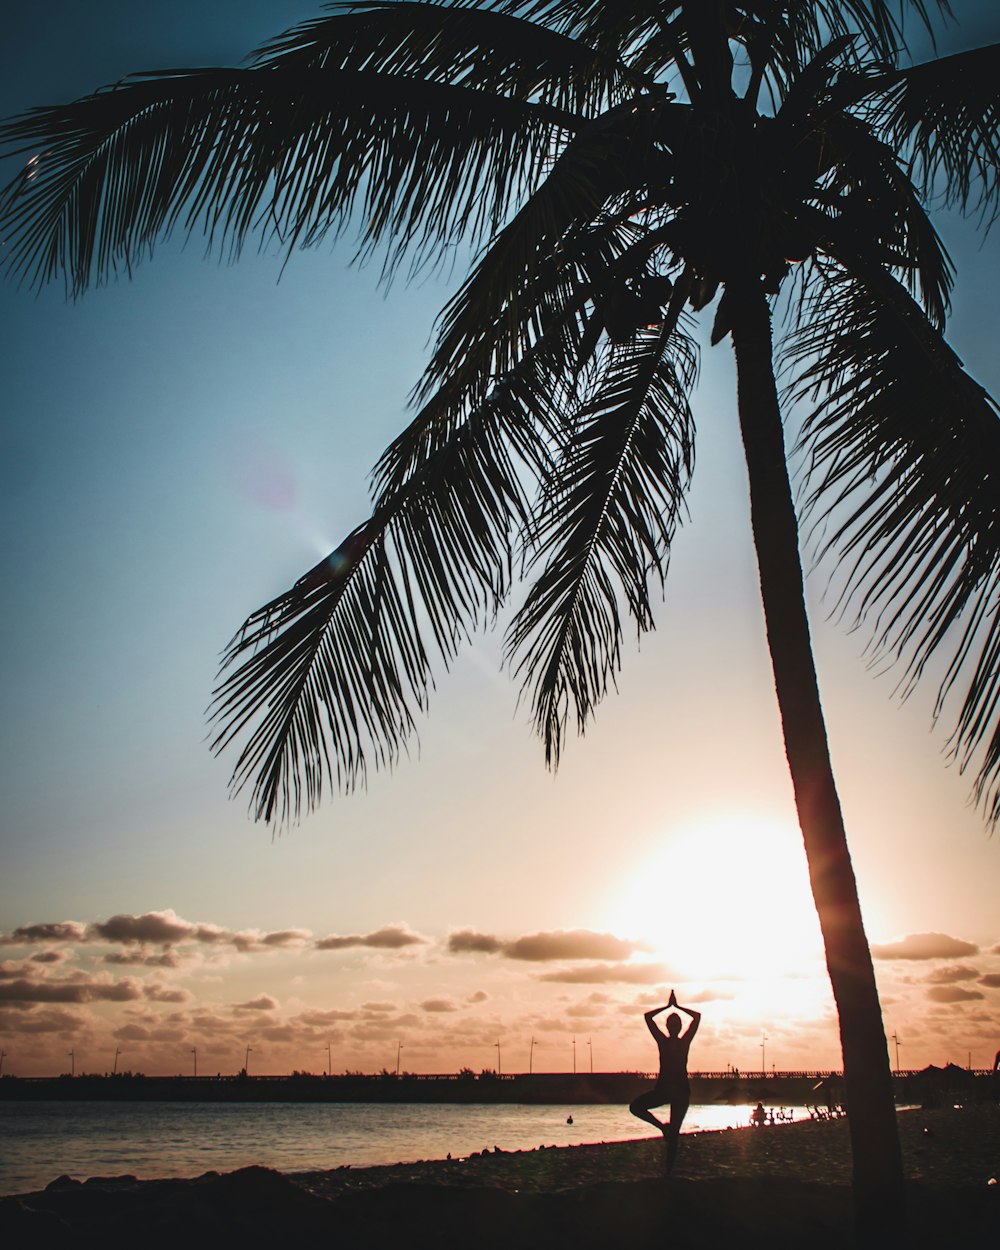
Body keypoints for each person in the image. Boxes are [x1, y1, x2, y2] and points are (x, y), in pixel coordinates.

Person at [629, 989, 701, 1171]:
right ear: (668, 1026)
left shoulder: (682, 1042)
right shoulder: (664, 1041)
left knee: (674, 1131)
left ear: (676, 1027)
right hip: (666, 1089)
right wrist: (671, 1007)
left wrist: (673, 1006)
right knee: (636, 1107)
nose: (673, 1026)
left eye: (675, 1023)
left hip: (679, 1090)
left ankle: (668, 1170)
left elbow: (697, 1017)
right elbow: (648, 1018)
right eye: (672, 1023)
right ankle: (663, 1128)